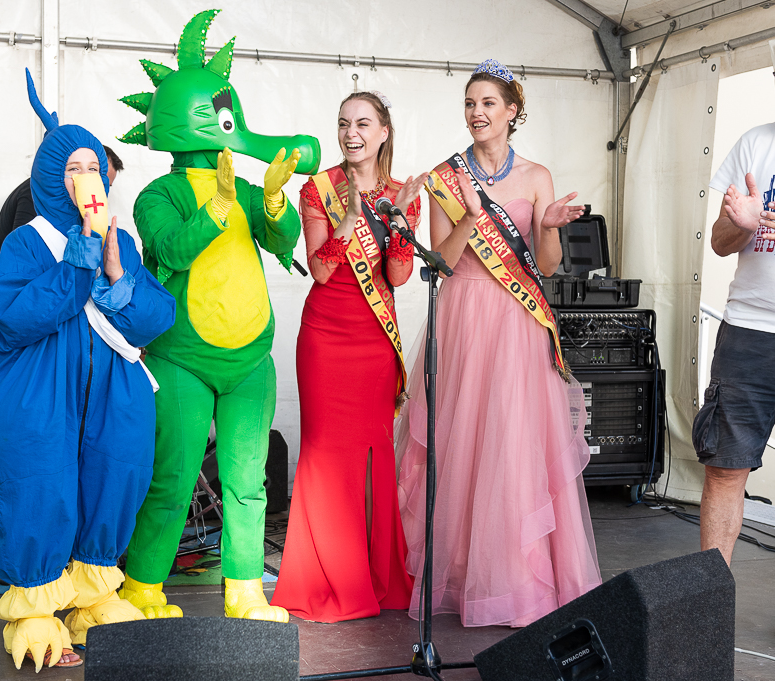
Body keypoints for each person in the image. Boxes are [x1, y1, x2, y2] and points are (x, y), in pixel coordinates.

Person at [115, 9, 319, 623]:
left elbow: (283, 242)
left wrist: (276, 198)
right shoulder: (159, 194)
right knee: (173, 477)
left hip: (251, 359)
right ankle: (142, 587)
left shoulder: (246, 187)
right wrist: (217, 207)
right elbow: (170, 250)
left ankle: (245, 589)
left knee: (248, 483)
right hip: (183, 358)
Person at [0, 70, 175, 671]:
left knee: (115, 473)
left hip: (111, 392)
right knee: (43, 481)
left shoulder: (123, 239)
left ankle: (92, 593)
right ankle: (34, 604)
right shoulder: (28, 243)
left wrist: (116, 273)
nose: (89, 179)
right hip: (37, 390)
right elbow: (15, 316)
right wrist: (80, 258)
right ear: (52, 179)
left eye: (95, 167)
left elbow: (153, 318)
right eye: (74, 169)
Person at [396, 60, 601, 628]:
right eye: (470, 104)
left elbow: (549, 266)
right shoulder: (447, 175)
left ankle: (515, 581)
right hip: (463, 311)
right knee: (463, 441)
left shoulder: (537, 176)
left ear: (512, 112)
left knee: (512, 442)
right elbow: (440, 258)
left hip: (517, 318)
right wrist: (472, 212)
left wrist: (552, 224)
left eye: (489, 103)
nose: (477, 113)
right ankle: (465, 577)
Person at [271, 91, 423, 623]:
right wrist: (346, 222)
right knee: (323, 456)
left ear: (384, 130)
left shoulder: (403, 193)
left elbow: (399, 277)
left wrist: (400, 225)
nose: (350, 133)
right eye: (343, 124)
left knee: (376, 458)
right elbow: (320, 270)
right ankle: (327, 577)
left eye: (362, 123)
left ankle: (378, 579)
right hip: (325, 338)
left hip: (375, 341)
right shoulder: (319, 189)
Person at [693, 122, 775, 566]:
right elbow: (721, 243)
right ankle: (711, 605)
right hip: (748, 331)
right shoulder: (756, 143)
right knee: (725, 469)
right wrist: (743, 226)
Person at [0, 147, 124, 335]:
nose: (100, 188)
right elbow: (31, 260)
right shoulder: (36, 199)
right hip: (2, 302)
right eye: (84, 172)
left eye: (104, 182)